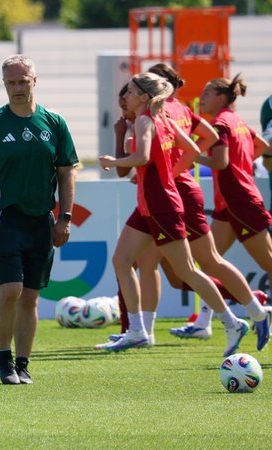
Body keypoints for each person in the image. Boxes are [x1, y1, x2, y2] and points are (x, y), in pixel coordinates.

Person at [97, 65, 271, 351]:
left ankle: (238, 317)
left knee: (189, 270)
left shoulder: (151, 118)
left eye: (129, 90)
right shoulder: (166, 114)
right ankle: (140, 330)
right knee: (129, 261)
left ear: (143, 94)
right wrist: (173, 170)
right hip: (159, 199)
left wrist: (119, 162)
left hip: (165, 200)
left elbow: (142, 157)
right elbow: (193, 147)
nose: (124, 95)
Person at [0, 55, 78, 385]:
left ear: (34, 80)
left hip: (41, 220)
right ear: (4, 84)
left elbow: (65, 173)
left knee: (31, 296)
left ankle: (23, 363)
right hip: (6, 219)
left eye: (22, 81)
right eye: (11, 82)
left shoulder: (54, 123)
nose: (17, 87)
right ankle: (4, 359)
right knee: (11, 289)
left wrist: (65, 217)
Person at [170, 74, 272, 339]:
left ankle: (255, 314)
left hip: (240, 201)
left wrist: (191, 156)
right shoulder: (236, 120)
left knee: (269, 264)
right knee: (209, 263)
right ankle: (203, 324)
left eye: (207, 92)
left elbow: (221, 162)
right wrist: (242, 165)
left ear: (222, 97)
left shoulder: (221, 123)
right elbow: (260, 146)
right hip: (231, 203)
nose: (202, 97)